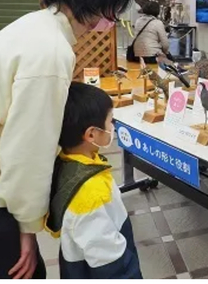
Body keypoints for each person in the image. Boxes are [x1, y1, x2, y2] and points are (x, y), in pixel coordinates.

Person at [0, 0, 133, 280]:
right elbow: (29, 151)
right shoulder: (50, 51)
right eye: (111, 7)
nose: (110, 19)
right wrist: (27, 229)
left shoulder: (34, 26)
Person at [45, 83, 142, 278]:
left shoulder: (68, 162)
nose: (113, 127)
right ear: (91, 134)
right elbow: (110, 262)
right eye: (110, 121)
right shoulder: (90, 195)